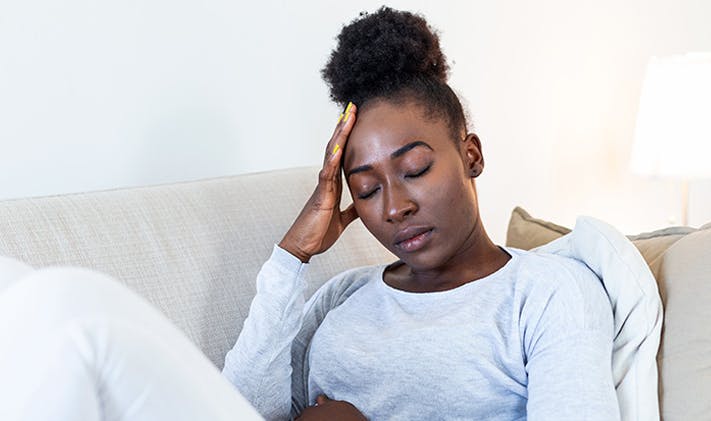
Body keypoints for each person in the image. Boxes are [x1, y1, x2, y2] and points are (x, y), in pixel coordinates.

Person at [0, 6, 618, 421]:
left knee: (71, 313)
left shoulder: (544, 291)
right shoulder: (343, 294)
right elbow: (239, 406)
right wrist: (290, 258)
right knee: (32, 292)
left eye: (416, 168)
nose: (396, 206)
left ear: (471, 155)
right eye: (366, 186)